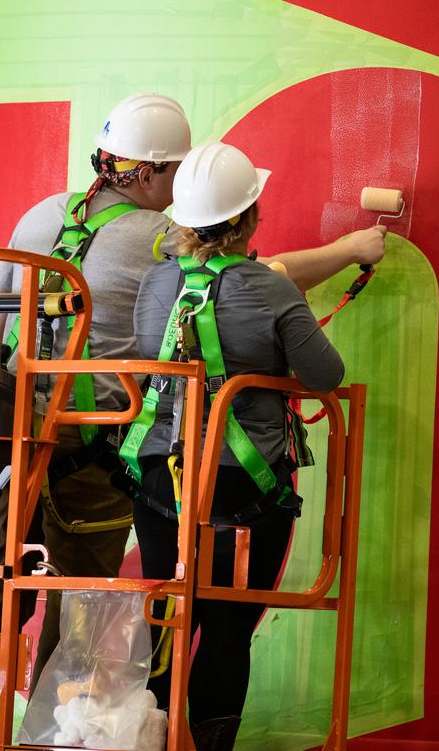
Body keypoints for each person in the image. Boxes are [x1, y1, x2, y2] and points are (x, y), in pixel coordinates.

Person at [0, 93, 384, 676]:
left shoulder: (40, 214)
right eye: (176, 169)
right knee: (84, 610)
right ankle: (64, 724)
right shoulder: (159, 233)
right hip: (92, 441)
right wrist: (347, 250)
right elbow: (246, 283)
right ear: (147, 172)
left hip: (9, 428)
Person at [123, 141, 344, 751]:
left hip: (159, 478)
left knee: (167, 616)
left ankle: (150, 739)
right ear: (248, 219)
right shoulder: (271, 289)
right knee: (226, 627)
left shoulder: (155, 282)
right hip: (243, 487)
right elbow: (325, 374)